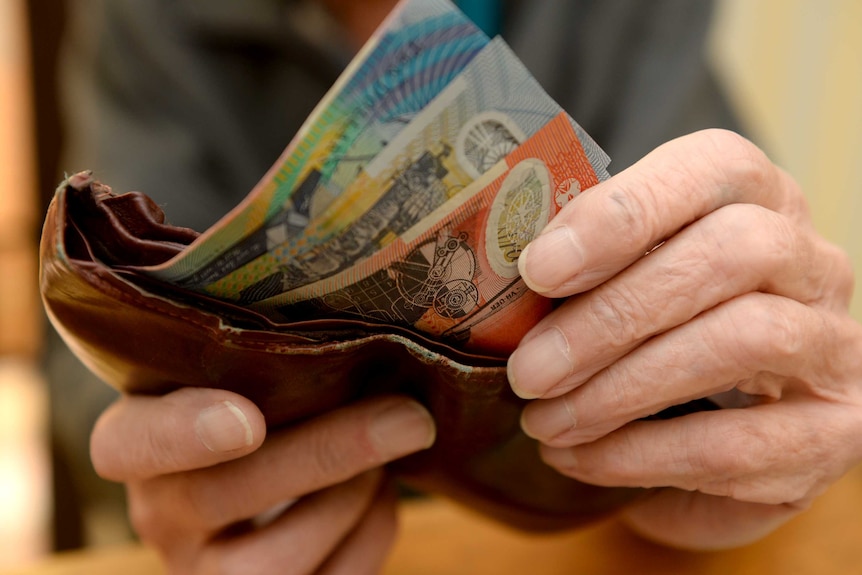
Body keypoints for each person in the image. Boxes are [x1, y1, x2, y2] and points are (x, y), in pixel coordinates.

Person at [48, 0, 862, 571]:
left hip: (603, 531)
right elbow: (96, 344)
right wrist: (166, 469)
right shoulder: (148, 15)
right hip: (311, 532)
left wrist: (774, 388)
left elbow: (744, 296)